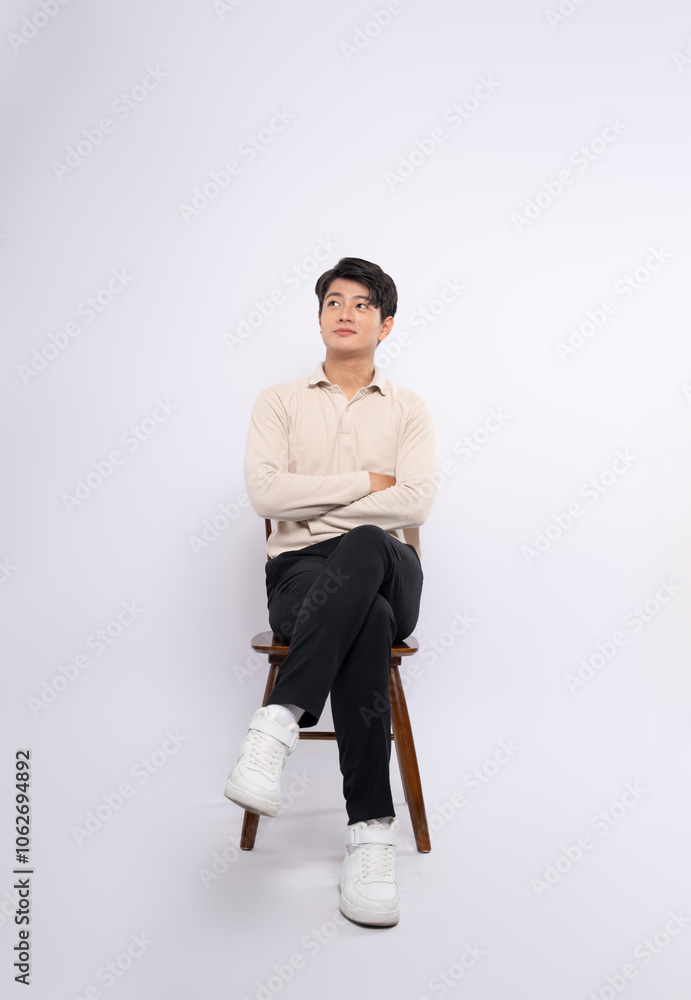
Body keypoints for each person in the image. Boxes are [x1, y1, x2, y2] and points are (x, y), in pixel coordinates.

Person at [224, 256, 437, 927]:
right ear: (319, 316)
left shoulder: (409, 409)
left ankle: (277, 723)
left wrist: (319, 514)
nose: (345, 313)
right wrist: (361, 485)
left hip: (389, 567)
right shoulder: (278, 401)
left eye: (362, 303)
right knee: (365, 618)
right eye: (333, 302)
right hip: (300, 576)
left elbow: (414, 504)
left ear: (386, 323)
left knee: (371, 547)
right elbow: (264, 492)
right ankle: (371, 833)